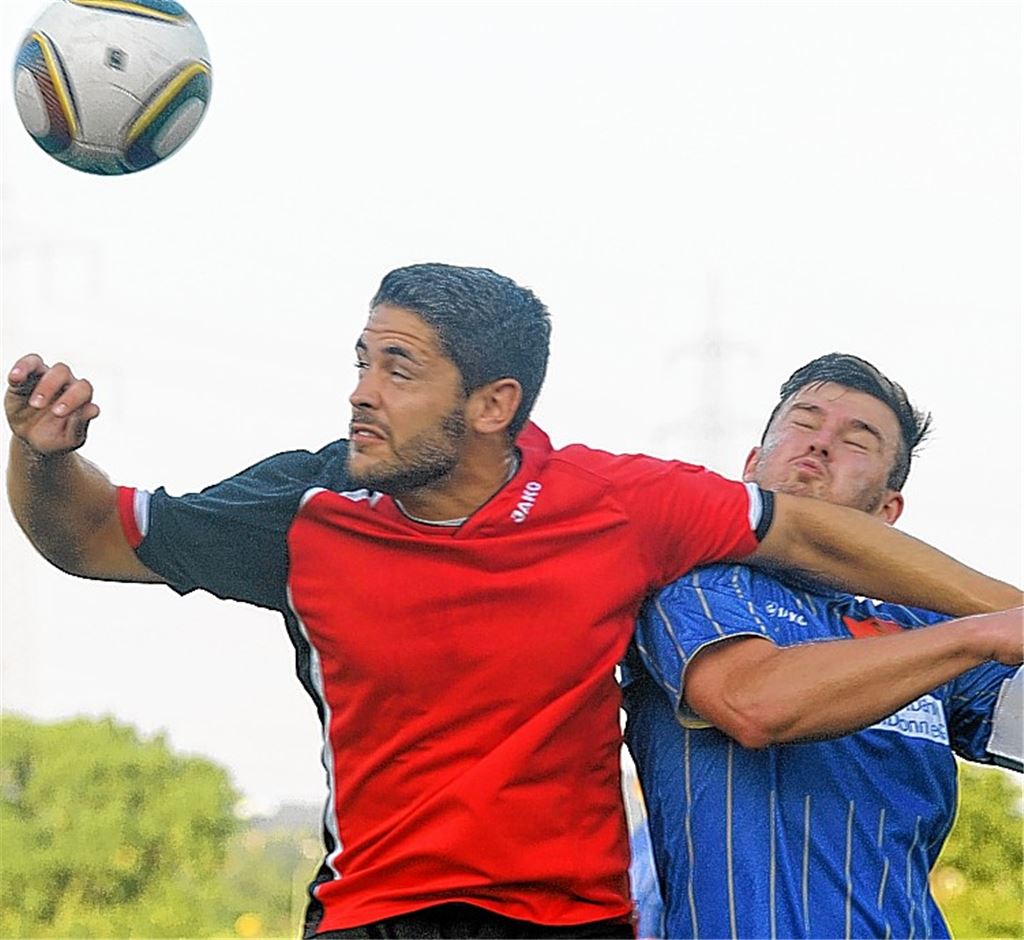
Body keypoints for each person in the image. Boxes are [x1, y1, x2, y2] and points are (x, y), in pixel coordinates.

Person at [6, 266, 1020, 939]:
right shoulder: (305, 507)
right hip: (376, 912)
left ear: (492, 403)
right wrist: (42, 457)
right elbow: (88, 537)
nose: (361, 389)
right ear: (751, 456)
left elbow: (816, 536)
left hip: (567, 924)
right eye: (362, 359)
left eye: (397, 366)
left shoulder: (619, 507)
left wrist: (998, 613)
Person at [624, 352, 1023, 940]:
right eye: (803, 422)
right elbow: (753, 701)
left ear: (888, 512)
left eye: (856, 441)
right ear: (752, 465)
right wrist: (975, 632)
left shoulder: (916, 624)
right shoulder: (693, 581)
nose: (819, 445)